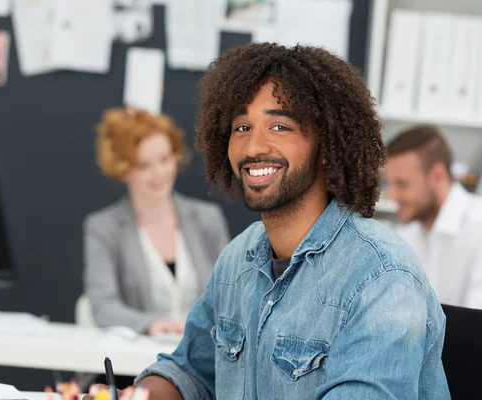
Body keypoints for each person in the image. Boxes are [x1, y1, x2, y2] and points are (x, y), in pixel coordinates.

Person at [85, 44, 450, 399]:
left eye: (279, 127)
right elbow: (190, 371)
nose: (253, 147)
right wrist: (137, 397)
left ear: (326, 148)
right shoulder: (238, 258)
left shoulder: (382, 279)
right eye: (241, 127)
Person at [83, 108, 230, 335]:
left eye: (164, 159)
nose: (158, 173)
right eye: (144, 165)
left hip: (204, 356)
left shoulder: (207, 218)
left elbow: (230, 295)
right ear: (123, 169)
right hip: (136, 361)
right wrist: (151, 324)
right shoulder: (103, 228)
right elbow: (103, 306)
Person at [384, 125, 482, 309]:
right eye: (389, 184)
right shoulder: (408, 234)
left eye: (402, 184)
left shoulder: (478, 228)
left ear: (437, 176)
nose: (391, 196)